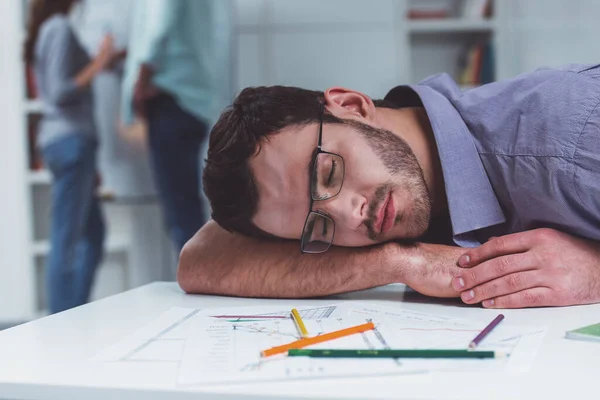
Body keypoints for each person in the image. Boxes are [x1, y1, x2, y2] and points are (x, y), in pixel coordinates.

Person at [178, 63, 600, 309]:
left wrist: (596, 274)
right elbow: (200, 261)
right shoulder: (396, 193)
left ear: (351, 105)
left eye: (326, 175)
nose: (349, 215)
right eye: (317, 226)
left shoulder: (571, 145)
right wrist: (398, 263)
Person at [24, 0, 119, 313]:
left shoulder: (50, 29)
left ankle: (73, 310)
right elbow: (60, 91)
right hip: (70, 141)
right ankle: (62, 319)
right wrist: (99, 61)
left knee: (93, 232)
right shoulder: (60, 28)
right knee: (66, 239)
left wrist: (101, 62)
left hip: (71, 143)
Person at [122, 0, 232, 253]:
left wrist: (141, 79)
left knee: (180, 212)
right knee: (185, 206)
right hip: (192, 100)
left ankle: (200, 280)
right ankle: (202, 279)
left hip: (170, 98)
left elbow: (160, 25)